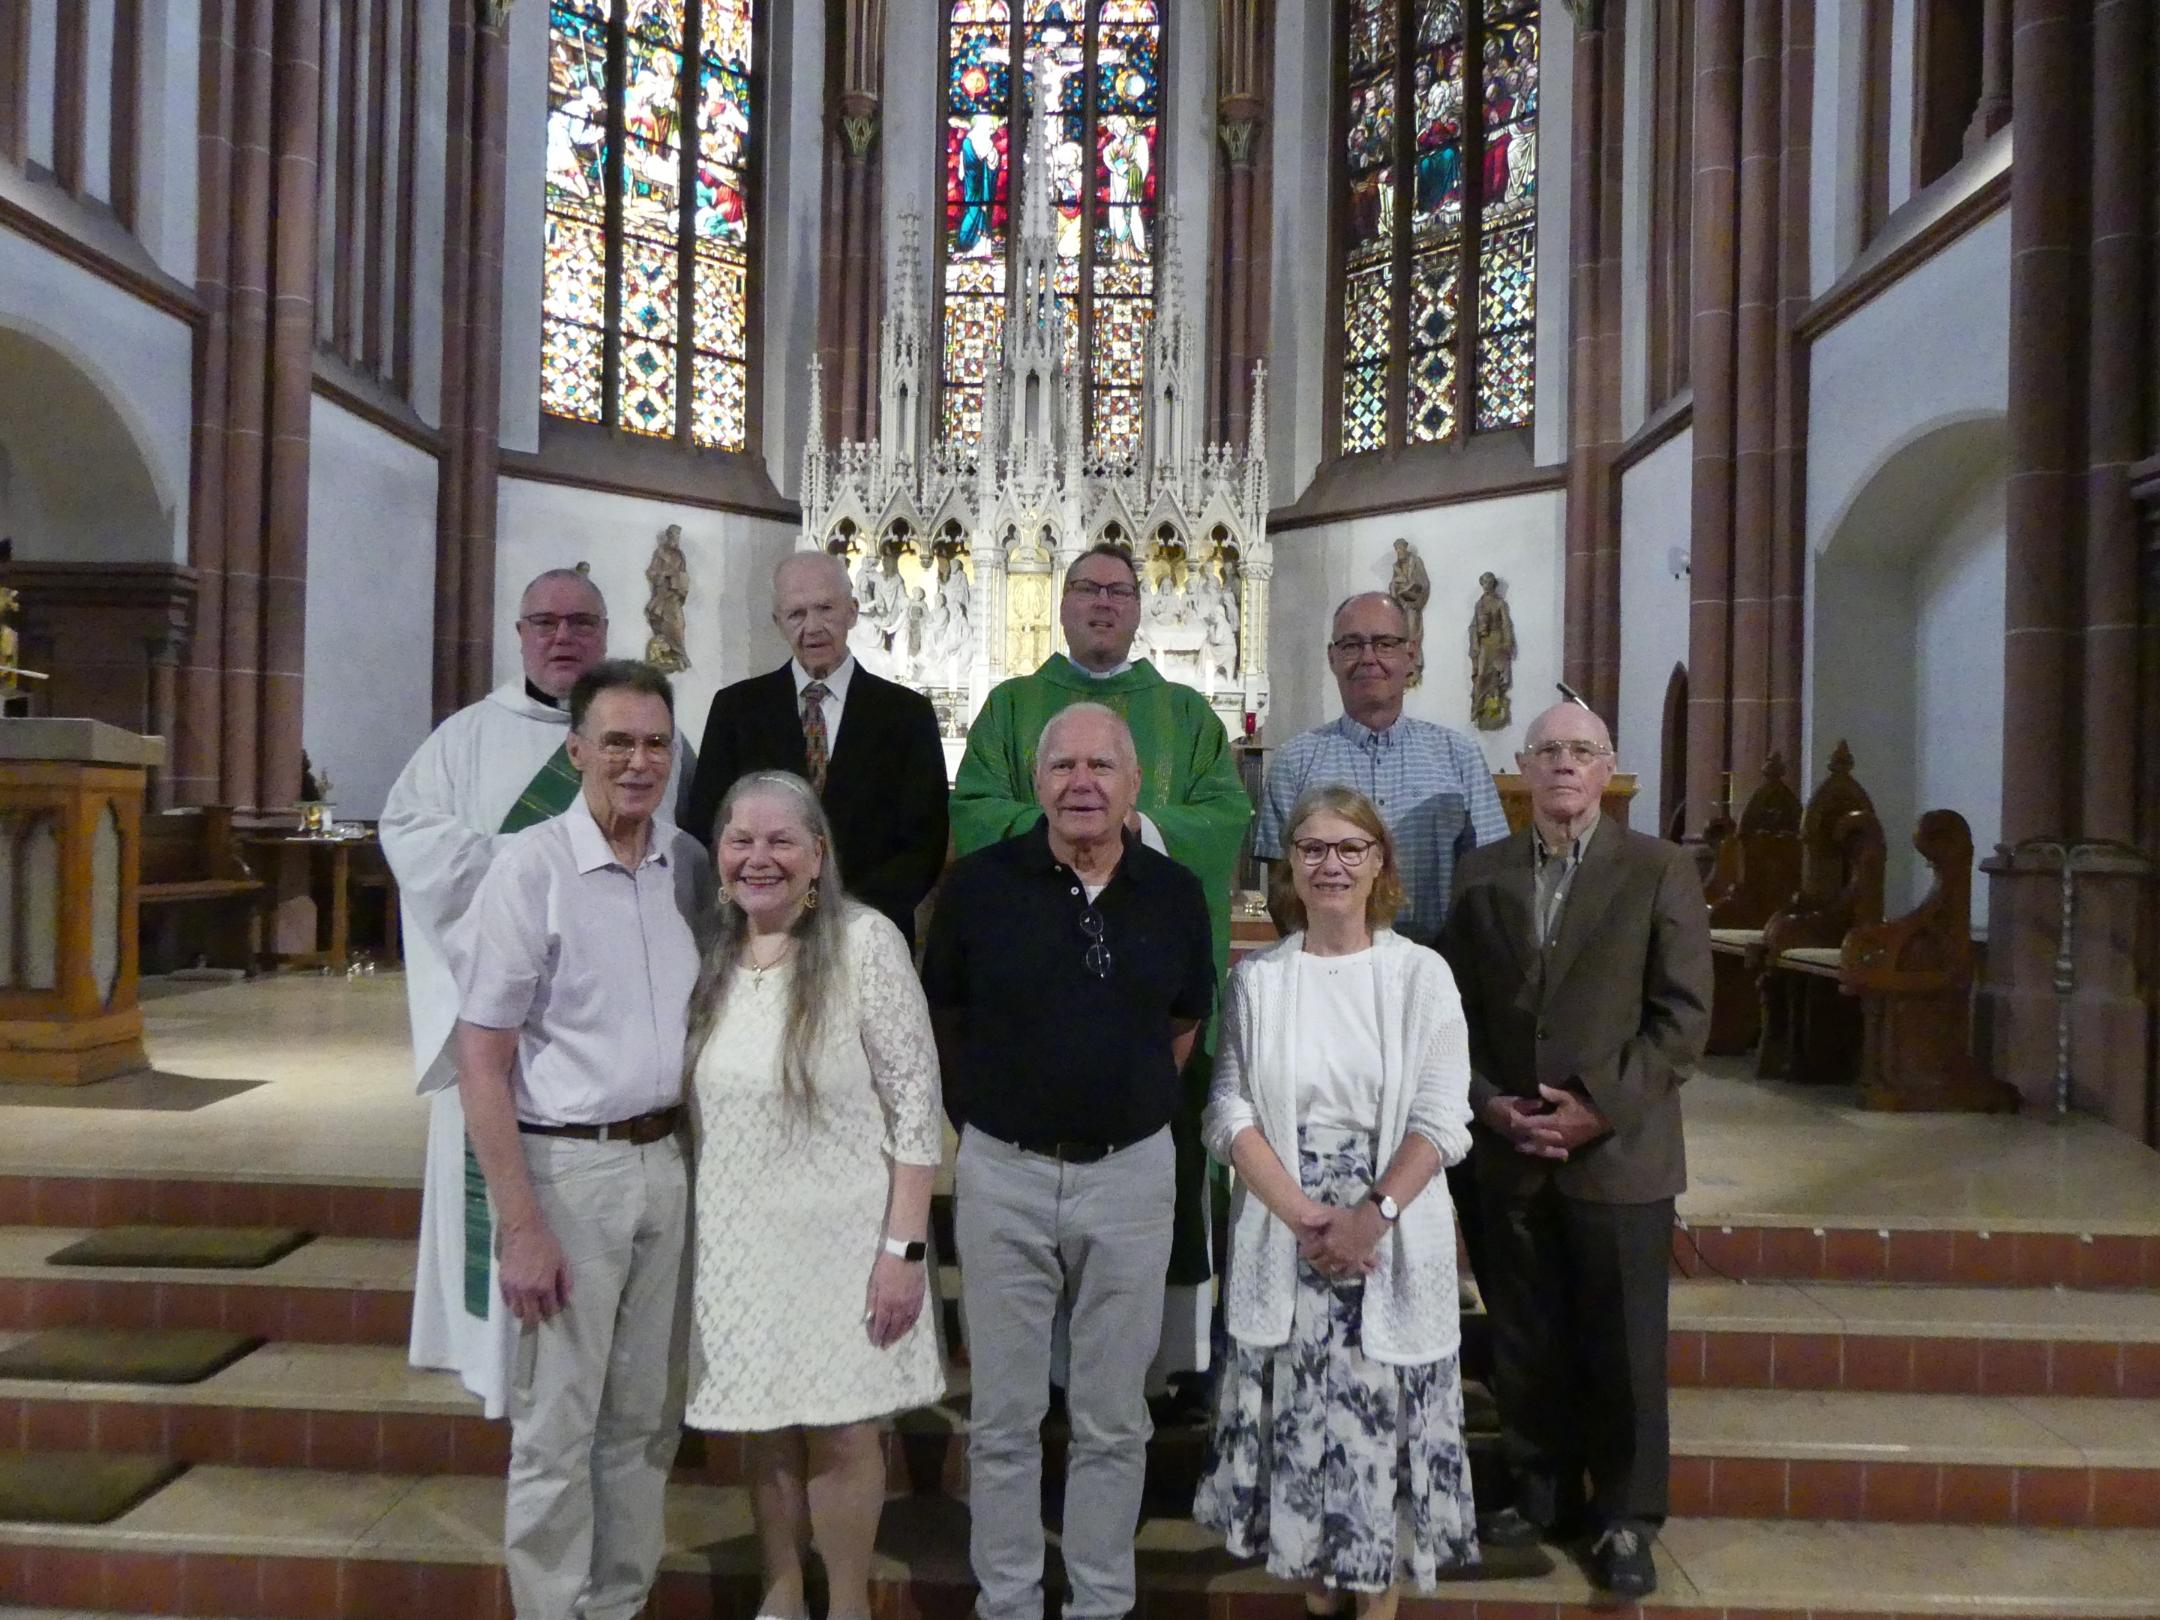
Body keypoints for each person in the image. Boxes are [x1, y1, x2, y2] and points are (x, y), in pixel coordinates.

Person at [923, 703, 1217, 1620]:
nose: (1080, 783)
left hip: (1129, 1176)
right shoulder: (977, 887)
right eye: (1062, 766)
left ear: (1134, 787)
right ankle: (1006, 1602)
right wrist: (993, 1121)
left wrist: (1117, 1105)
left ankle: (1100, 1602)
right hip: (1005, 1173)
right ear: (1036, 782)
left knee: (1112, 1418)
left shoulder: (1174, 894)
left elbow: (1182, 1023)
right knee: (1005, 1416)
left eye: (1101, 766)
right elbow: (945, 1021)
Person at [381, 568, 690, 1418]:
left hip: (615, 1061)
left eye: (583, 622)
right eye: (546, 622)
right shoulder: (464, 739)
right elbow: (410, 839)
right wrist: (531, 867)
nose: (564, 637)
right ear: (519, 633)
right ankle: (493, 1366)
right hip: (508, 1038)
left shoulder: (664, 739)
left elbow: (685, 865)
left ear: (606, 630)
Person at [951, 541, 1251, 1375]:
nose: (1103, 603)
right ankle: (1040, 1367)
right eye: (1086, 588)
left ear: (1139, 606)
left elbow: (1227, 817)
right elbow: (973, 813)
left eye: (1119, 590)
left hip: (1145, 1009)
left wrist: (1135, 837)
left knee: (1176, 1152)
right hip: (1030, 1022)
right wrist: (1070, 833)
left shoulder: (1187, 712)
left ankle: (1173, 1359)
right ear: (1060, 600)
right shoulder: (1013, 706)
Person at [453, 659, 712, 1620]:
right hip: (570, 1170)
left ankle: (617, 1605)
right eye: (616, 743)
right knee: (557, 1429)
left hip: (667, 1166)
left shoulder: (690, 865)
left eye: (653, 744)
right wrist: (521, 1225)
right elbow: (482, 1060)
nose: (638, 763)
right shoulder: (531, 871)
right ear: (576, 753)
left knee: (645, 1423)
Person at [1438, 701, 1712, 1599]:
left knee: (1624, 1345)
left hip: (1618, 1153)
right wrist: (1487, 1106)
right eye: (1548, 751)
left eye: (1581, 751)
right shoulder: (1480, 875)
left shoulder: (1659, 868)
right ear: (1522, 768)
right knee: (1525, 1334)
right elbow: (1458, 1013)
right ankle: (1538, 1491)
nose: (1564, 765)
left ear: (1608, 768)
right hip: (1510, 1147)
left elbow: (1684, 1017)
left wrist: (1595, 1109)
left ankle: (1628, 1516)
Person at [1196, 785, 1478, 1608]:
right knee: (1303, 1448)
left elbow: (1443, 1117)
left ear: (1378, 862)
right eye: (1313, 849)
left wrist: (1370, 1215)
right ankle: (1321, 1599)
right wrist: (1299, 1212)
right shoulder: (1261, 981)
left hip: (1387, 1238)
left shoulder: (1421, 976)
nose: (1331, 865)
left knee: (1377, 1446)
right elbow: (1228, 1109)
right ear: (1289, 866)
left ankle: (1379, 1601)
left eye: (1349, 848)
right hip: (1289, 1235)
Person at [683, 770, 945, 1620]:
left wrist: (902, 1251)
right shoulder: (709, 955)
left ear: (817, 854)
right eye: (740, 839)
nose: (759, 858)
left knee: (840, 1426)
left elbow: (916, 1105)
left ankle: (845, 1603)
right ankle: (782, 1591)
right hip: (739, 1237)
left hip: (845, 1237)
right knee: (764, 1424)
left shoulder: (865, 944)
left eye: (780, 840)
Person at [687, 551, 949, 945]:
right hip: (759, 931)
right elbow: (708, 826)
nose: (812, 627)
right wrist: (765, 907)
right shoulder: (736, 709)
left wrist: (844, 916)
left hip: (868, 934)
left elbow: (924, 843)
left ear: (853, 612)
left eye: (825, 609)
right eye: (796, 614)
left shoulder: (907, 714)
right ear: (778, 623)